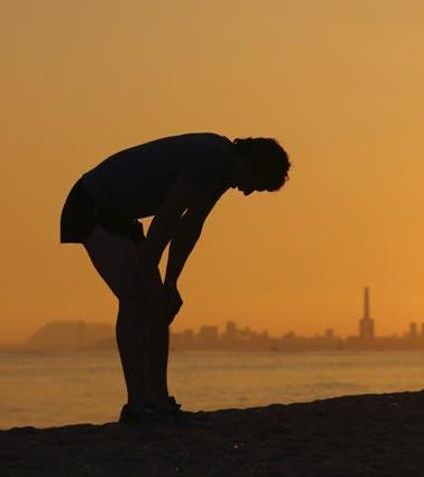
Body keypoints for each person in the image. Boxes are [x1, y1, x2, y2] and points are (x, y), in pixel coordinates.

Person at [59, 132, 291, 423]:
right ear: (249, 163)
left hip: (122, 216)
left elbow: (190, 226)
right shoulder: (212, 159)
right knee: (136, 297)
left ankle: (157, 399)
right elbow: (168, 216)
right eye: (254, 186)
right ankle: (136, 405)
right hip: (91, 205)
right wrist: (148, 267)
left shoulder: (222, 173)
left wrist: (171, 285)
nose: (247, 193)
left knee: (158, 303)